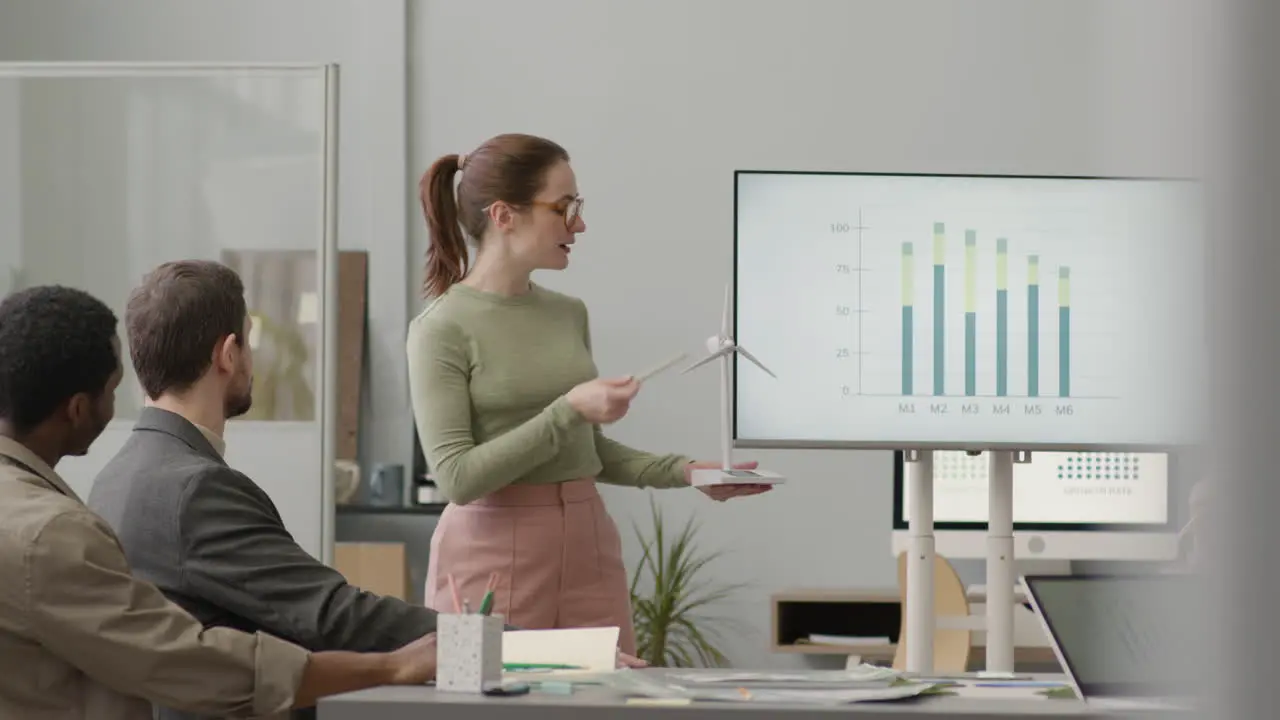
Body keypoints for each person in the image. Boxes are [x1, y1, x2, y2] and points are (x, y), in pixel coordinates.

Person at [0, 285, 438, 720]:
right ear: (228, 354)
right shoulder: (67, 525)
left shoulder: (111, 476)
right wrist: (416, 658)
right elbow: (315, 620)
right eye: (110, 393)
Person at [408, 133, 772, 655]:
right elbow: (458, 478)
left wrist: (690, 472)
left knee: (609, 700)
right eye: (564, 207)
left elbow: (586, 452)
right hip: (488, 551)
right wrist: (569, 410)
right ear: (504, 215)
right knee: (491, 704)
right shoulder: (440, 329)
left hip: (587, 542)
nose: (579, 224)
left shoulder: (567, 313)